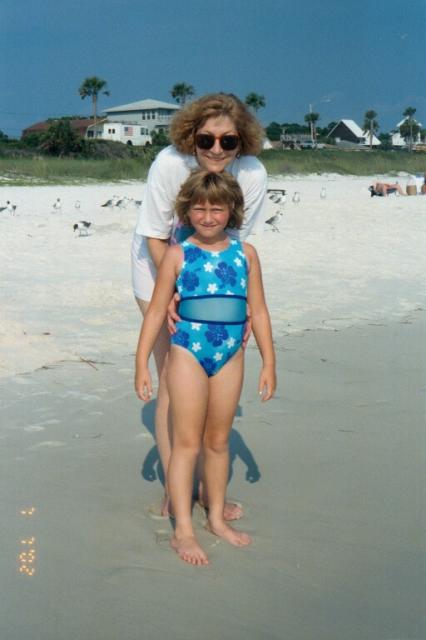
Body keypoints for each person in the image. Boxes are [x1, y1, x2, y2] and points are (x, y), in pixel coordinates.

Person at [131, 93, 267, 518]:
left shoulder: (252, 173)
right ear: (191, 136)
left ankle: (210, 491)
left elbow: (237, 243)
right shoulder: (170, 164)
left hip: (212, 279)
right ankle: (176, 492)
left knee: (212, 402)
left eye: (228, 142)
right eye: (206, 139)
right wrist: (171, 293)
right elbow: (155, 234)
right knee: (172, 378)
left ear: (241, 143)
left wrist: (238, 304)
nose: (215, 150)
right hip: (156, 270)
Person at [135, 170, 276, 565]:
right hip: (187, 353)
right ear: (187, 211)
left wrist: (269, 362)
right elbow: (157, 311)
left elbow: (260, 311)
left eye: (217, 208)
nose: (208, 216)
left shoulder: (245, 253)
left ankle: (215, 518)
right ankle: (183, 529)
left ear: (232, 210)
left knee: (218, 441)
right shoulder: (179, 254)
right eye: (199, 207)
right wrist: (141, 363)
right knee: (187, 442)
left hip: (231, 353)